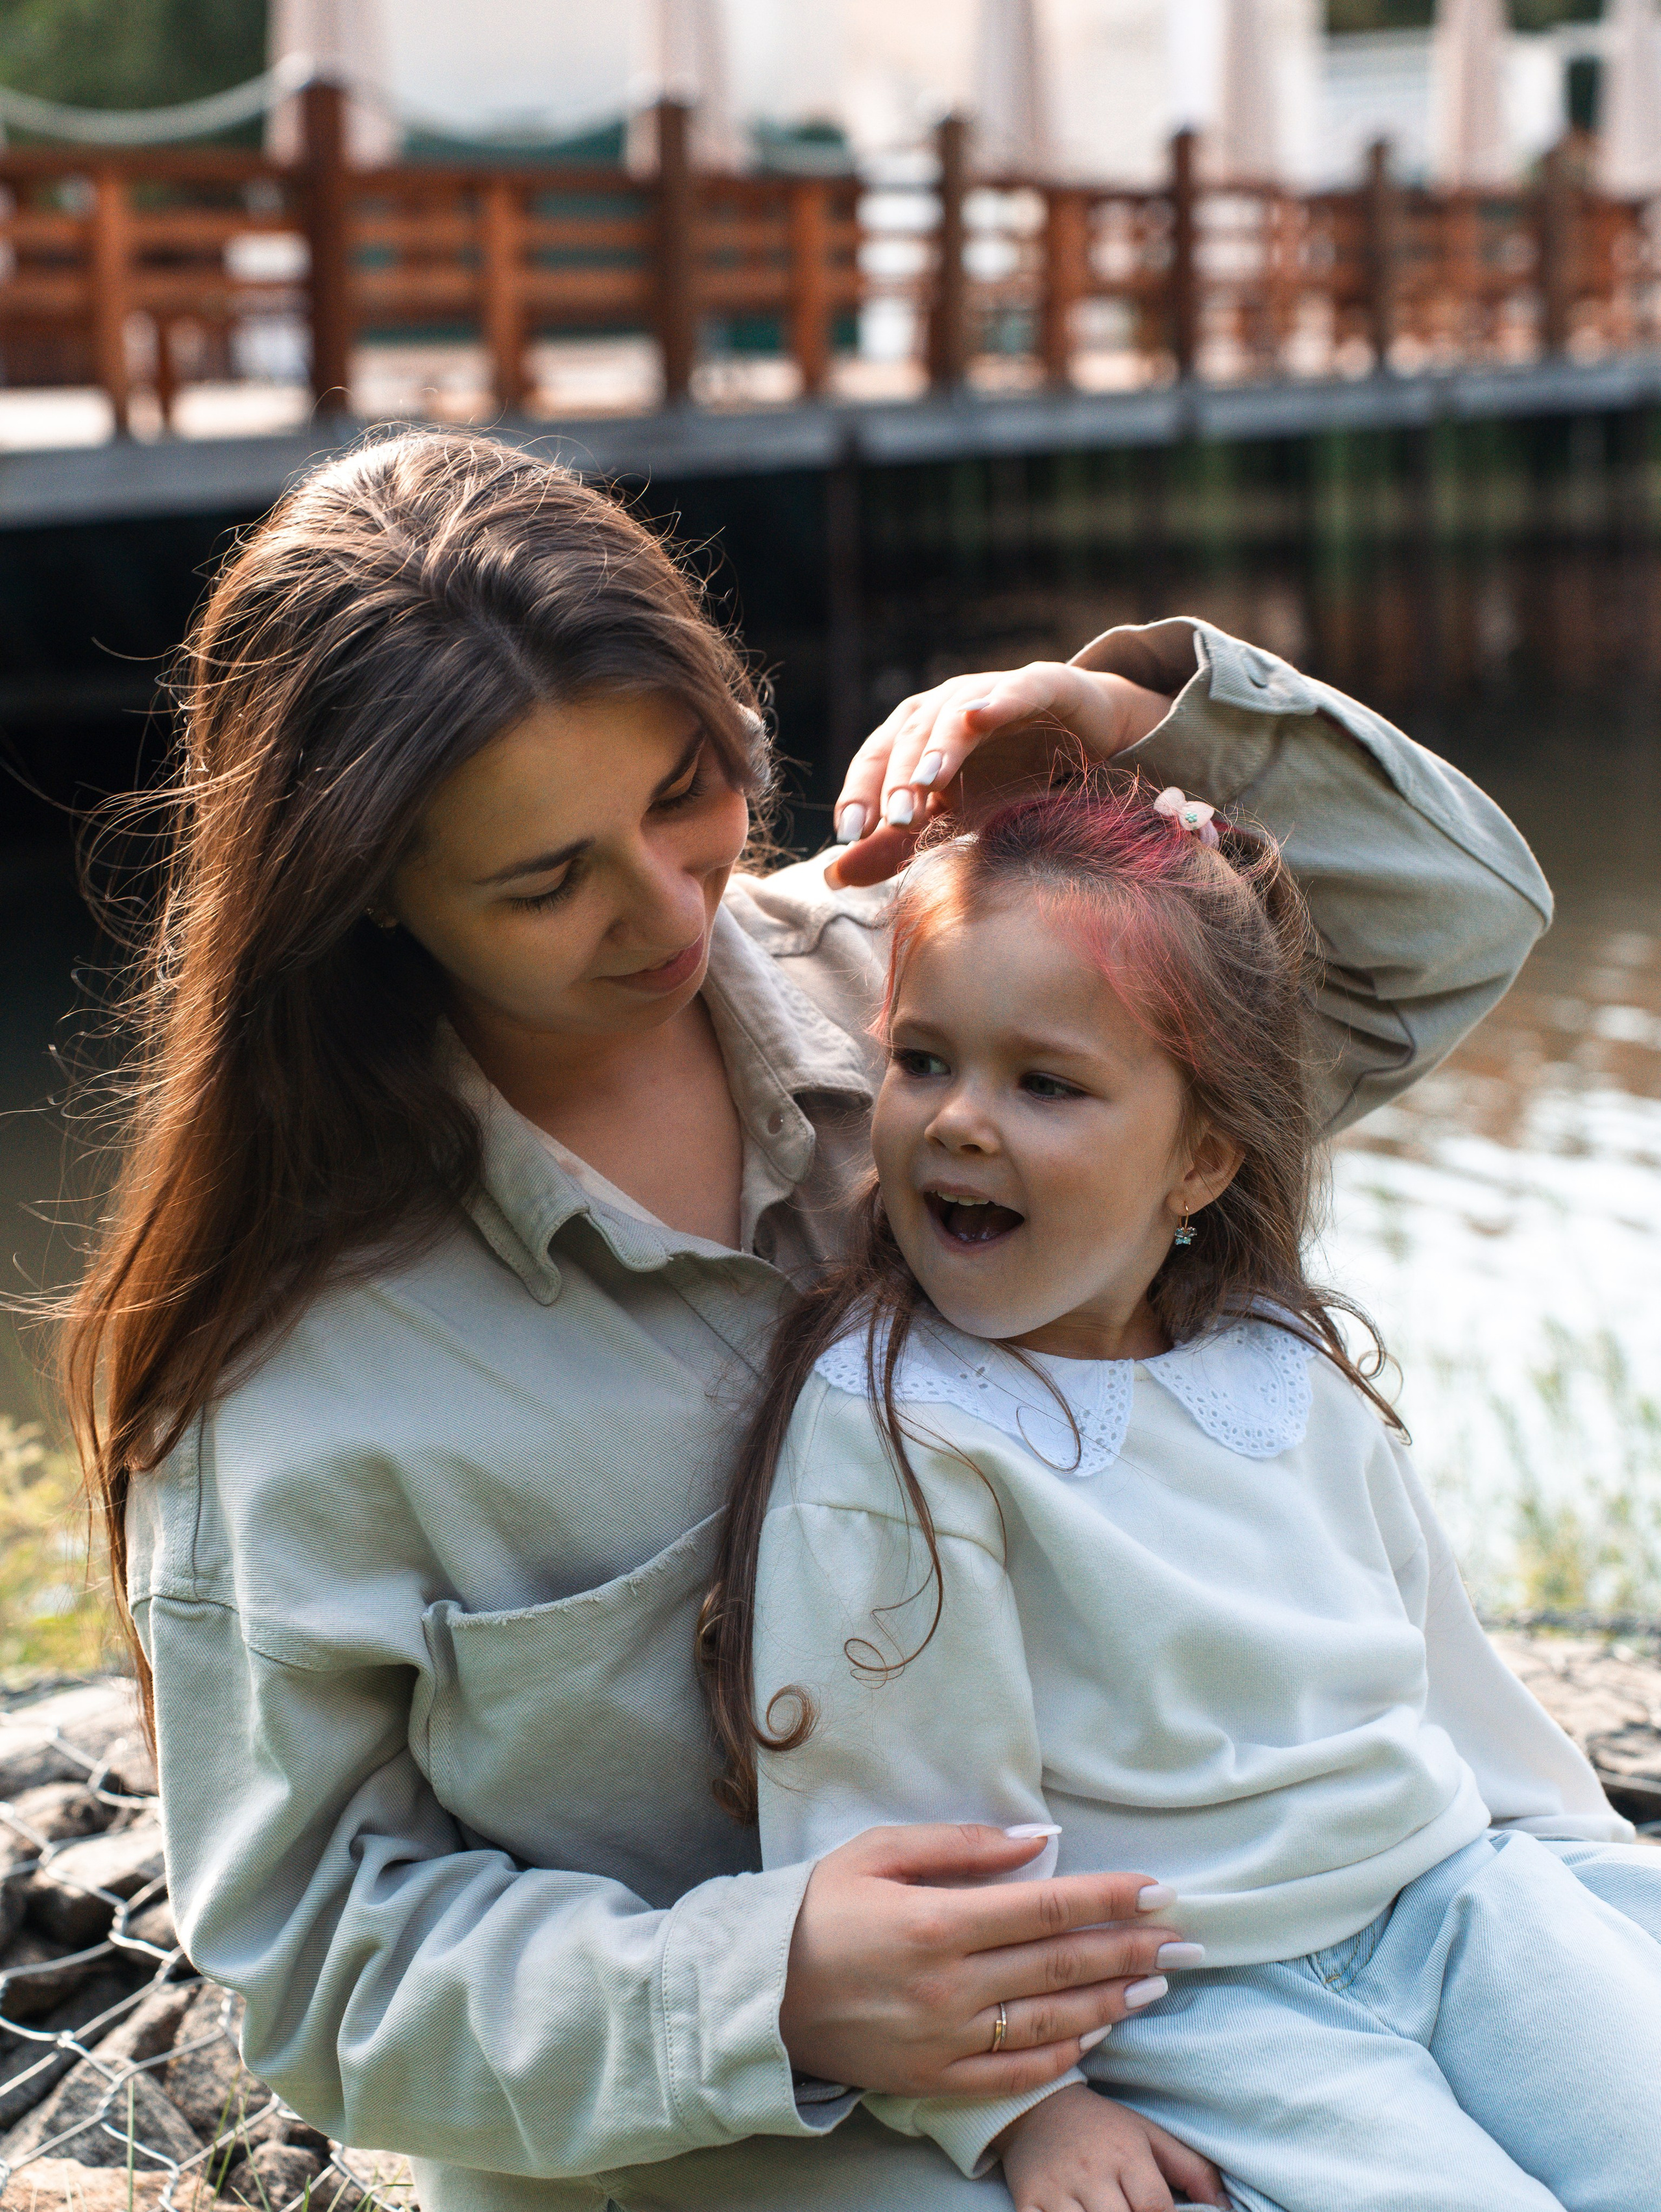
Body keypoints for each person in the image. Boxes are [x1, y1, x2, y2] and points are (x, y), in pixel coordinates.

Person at [63, 426, 1557, 2212]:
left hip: (1228, 1986)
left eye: (685, 788)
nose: (666, 902)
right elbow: (316, 1967)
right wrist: (769, 1987)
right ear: (364, 887)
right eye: (545, 881)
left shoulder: (933, 1006)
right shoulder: (297, 1376)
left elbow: (1448, 934)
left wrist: (1119, 725)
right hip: (719, 2140)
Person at [705, 778, 1661, 2212]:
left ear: (1199, 1159)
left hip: (1450, 1903)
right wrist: (1028, 2103)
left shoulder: (1277, 1364)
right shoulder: (899, 1427)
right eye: (920, 1061)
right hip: (1201, 2001)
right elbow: (894, 1830)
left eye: (1044, 1082)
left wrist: (1588, 1880)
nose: (958, 1122)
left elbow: (1437, 1677)